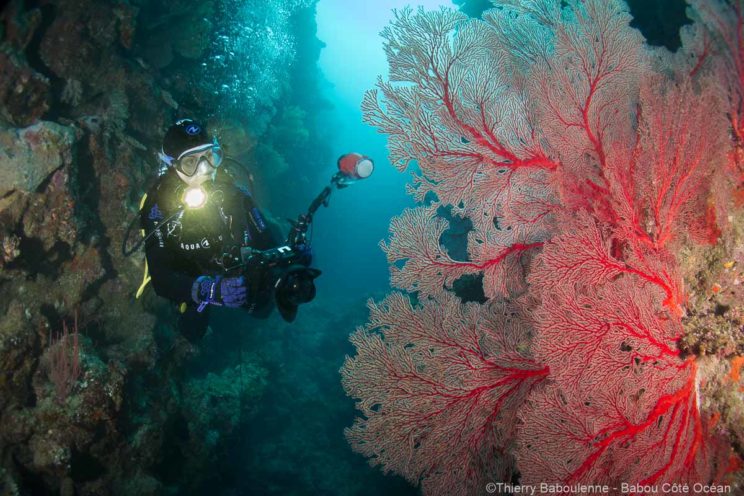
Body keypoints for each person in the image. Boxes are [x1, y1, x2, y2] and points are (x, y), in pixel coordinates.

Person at [140, 118, 295, 341]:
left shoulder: (233, 192)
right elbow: (161, 278)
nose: (205, 169)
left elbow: (267, 240)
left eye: (209, 156)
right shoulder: (157, 206)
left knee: (262, 308)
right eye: (190, 162)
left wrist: (287, 263)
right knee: (192, 332)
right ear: (172, 165)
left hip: (227, 263)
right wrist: (209, 290)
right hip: (190, 273)